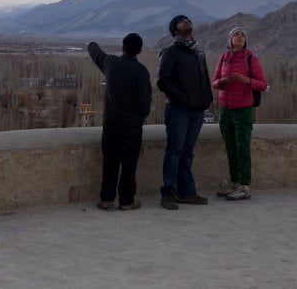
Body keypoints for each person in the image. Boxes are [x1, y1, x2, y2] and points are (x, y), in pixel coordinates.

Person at [88, 33, 152, 211]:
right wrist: (139, 118)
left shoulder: (111, 64)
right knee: (129, 165)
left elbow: (96, 54)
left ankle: (106, 199)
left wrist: (92, 43)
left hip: (111, 124)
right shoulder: (141, 72)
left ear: (123, 47)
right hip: (131, 128)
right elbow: (145, 103)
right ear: (139, 50)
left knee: (109, 162)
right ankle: (126, 201)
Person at [157, 15, 214, 210]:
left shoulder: (198, 52)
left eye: (189, 20)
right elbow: (162, 81)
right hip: (178, 110)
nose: (187, 22)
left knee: (188, 152)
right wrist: (182, 98)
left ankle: (187, 192)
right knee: (174, 151)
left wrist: (207, 98)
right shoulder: (170, 52)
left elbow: (205, 78)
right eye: (182, 21)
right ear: (174, 30)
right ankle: (169, 192)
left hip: (197, 111)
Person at [211, 27, 267, 201]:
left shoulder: (251, 58)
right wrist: (223, 82)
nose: (240, 36)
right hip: (225, 110)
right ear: (230, 40)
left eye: (242, 35)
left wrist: (246, 80)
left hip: (243, 109)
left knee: (242, 147)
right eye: (236, 34)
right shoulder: (223, 58)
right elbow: (214, 82)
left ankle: (244, 186)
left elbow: (263, 84)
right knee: (230, 148)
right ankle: (234, 183)